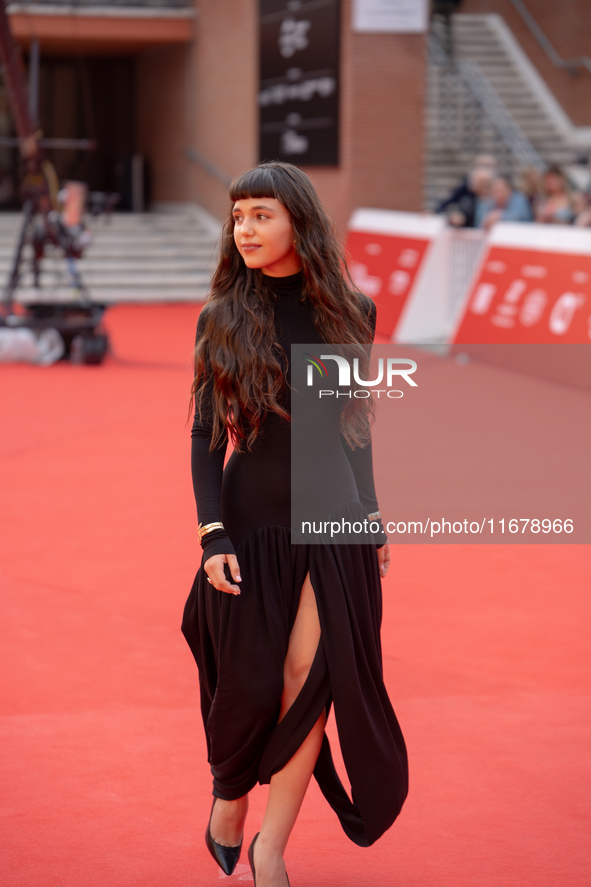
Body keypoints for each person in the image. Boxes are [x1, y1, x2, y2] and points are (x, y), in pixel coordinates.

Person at [181, 161, 408, 887]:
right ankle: (228, 796)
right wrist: (210, 533)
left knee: (308, 682)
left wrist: (371, 519)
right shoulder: (222, 316)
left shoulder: (351, 309)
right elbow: (204, 437)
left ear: (297, 222)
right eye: (238, 215)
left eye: (261, 215)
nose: (245, 228)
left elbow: (353, 428)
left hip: (333, 516)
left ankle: (270, 847)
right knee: (245, 683)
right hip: (251, 522)